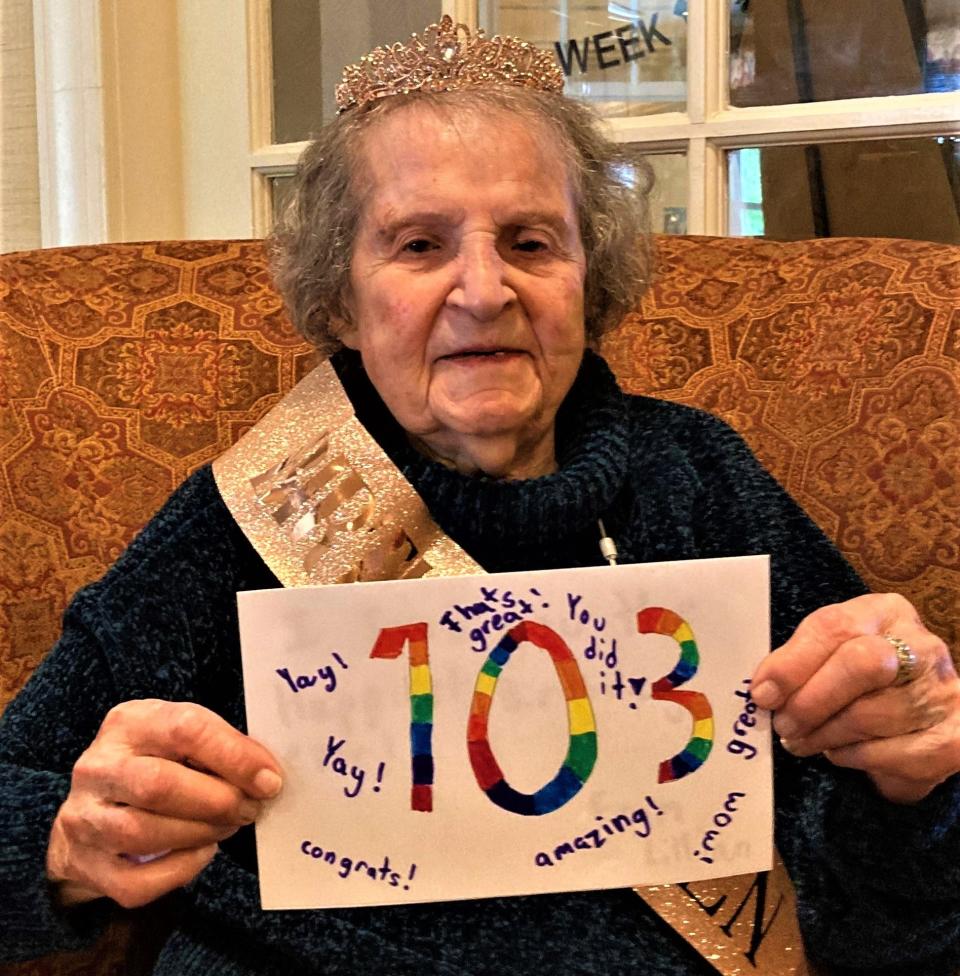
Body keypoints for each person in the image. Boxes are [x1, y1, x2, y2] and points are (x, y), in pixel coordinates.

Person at [1, 15, 958, 976]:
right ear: (340, 297)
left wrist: (916, 770)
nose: (484, 290)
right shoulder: (246, 512)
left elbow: (891, 899)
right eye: (419, 245)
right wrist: (69, 843)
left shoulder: (698, 476)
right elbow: (14, 792)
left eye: (533, 242)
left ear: (591, 277)